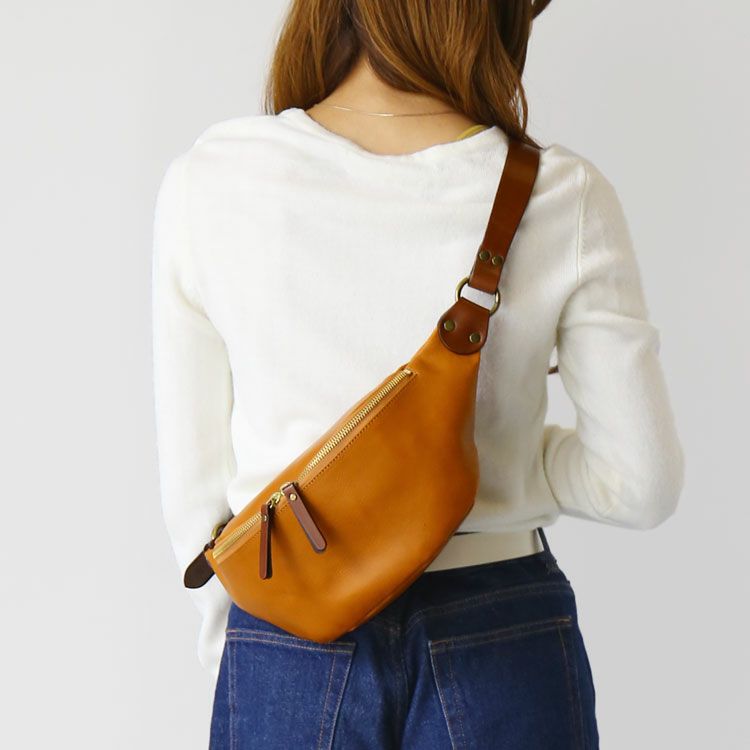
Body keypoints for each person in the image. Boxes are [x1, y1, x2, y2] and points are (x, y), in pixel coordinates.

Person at [151, 1, 684, 747]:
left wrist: (243, 657)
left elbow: (197, 503)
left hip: (286, 639)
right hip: (502, 634)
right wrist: (491, 456)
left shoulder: (211, 179)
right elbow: (641, 482)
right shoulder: (561, 192)